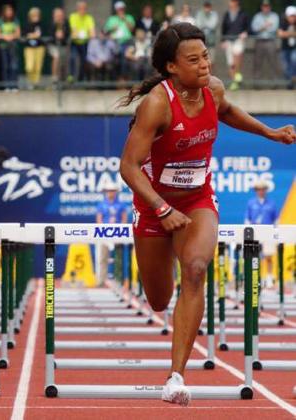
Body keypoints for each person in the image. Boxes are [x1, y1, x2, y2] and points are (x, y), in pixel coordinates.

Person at [119, 22, 295, 405]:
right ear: (170, 67)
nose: (204, 64)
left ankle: (176, 377)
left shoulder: (213, 88)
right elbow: (129, 167)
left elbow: (227, 110)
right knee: (159, 300)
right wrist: (161, 208)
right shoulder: (158, 104)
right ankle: (172, 343)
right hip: (153, 207)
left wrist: (269, 133)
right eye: (193, 59)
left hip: (198, 199)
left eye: (206, 56)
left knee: (196, 269)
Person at [245, 179, 279, 287]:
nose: (261, 191)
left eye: (263, 189)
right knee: (255, 257)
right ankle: (256, 277)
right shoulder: (251, 203)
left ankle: (268, 277)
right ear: (256, 191)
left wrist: (275, 232)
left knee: (268, 256)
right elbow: (247, 219)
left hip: (268, 232)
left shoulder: (271, 204)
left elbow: (276, 219)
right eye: (259, 189)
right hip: (255, 233)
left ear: (266, 190)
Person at [94, 183, 127, 286]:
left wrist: (119, 230)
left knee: (118, 258)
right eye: (108, 190)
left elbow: (124, 219)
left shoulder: (121, 205)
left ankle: (118, 280)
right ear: (106, 192)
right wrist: (103, 231)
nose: (110, 192)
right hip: (104, 234)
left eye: (112, 190)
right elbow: (99, 219)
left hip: (117, 234)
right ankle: (101, 280)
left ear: (116, 192)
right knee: (103, 258)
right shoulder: (102, 204)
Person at [221, 0, 249, 90]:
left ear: (237, 3)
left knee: (237, 54)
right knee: (230, 62)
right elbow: (223, 28)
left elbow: (247, 27)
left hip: (239, 39)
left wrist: (245, 32)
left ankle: (237, 74)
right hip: (228, 40)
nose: (232, 4)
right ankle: (234, 81)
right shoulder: (227, 14)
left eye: (234, 2)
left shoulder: (243, 14)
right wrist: (223, 40)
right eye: (231, 2)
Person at [251, 0, 280, 83]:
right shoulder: (257, 16)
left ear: (270, 7)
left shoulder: (274, 16)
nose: (266, 8)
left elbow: (274, 29)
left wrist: (261, 28)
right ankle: (257, 83)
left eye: (267, 6)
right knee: (257, 63)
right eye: (264, 6)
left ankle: (275, 82)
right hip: (259, 41)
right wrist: (265, 26)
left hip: (270, 41)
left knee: (273, 62)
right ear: (261, 7)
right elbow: (254, 29)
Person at [0, 4, 21, 89]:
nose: (10, 12)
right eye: (8, 10)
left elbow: (18, 34)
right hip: (3, 47)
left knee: (14, 66)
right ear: (4, 12)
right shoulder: (0, 20)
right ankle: (6, 86)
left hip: (13, 47)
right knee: (5, 66)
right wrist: (5, 37)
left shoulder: (15, 20)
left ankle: (14, 85)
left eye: (11, 10)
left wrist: (11, 36)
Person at [69, 1, 96, 82]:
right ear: (77, 9)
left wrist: (90, 34)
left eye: (84, 8)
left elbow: (92, 32)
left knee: (84, 61)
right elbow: (74, 30)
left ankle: (80, 79)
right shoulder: (73, 16)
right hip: (75, 42)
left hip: (85, 43)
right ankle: (71, 76)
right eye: (80, 8)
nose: (82, 10)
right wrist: (81, 35)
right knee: (73, 58)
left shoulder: (89, 17)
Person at [47, 7, 71, 84]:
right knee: (56, 57)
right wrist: (56, 34)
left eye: (61, 15)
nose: (59, 16)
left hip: (63, 45)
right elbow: (50, 34)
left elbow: (68, 33)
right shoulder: (52, 23)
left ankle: (62, 80)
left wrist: (63, 34)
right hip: (53, 45)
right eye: (57, 15)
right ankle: (54, 78)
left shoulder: (66, 22)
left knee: (63, 62)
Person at [22, 7, 45, 86]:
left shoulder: (41, 24)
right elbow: (25, 35)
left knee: (37, 67)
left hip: (39, 47)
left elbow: (41, 35)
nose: (36, 17)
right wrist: (33, 35)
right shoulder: (27, 25)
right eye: (34, 15)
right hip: (29, 48)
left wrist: (33, 35)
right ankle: (30, 82)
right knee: (29, 67)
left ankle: (36, 84)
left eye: (37, 15)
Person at [278, 6, 296, 89]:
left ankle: (293, 78)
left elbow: (284, 34)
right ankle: (290, 83)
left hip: (294, 48)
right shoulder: (283, 22)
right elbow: (280, 34)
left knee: (294, 59)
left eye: (294, 16)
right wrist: (292, 34)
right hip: (285, 48)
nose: (292, 18)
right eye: (290, 16)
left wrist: (287, 34)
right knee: (285, 66)